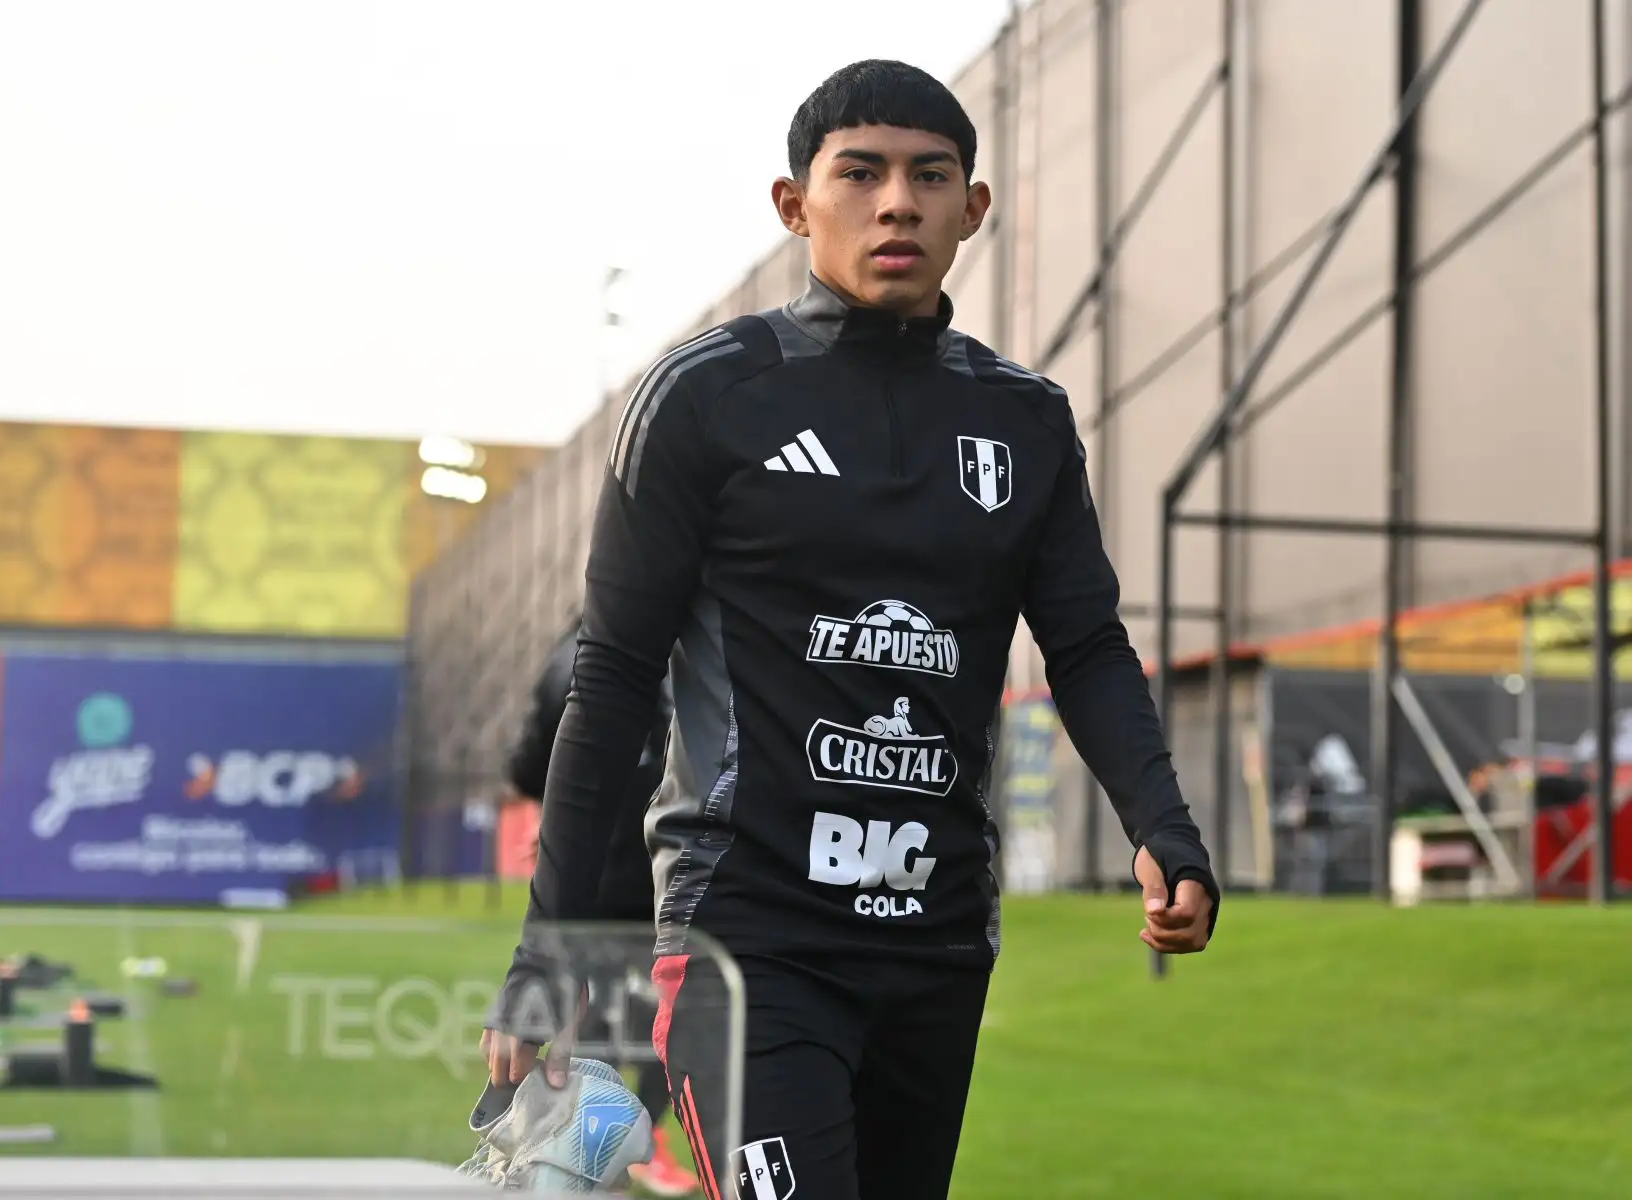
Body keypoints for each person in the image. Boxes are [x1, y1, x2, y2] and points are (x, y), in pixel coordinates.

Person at [483, 59, 1220, 1199]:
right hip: (744, 939)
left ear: (974, 208)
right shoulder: (705, 398)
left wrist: (1163, 827)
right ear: (795, 205)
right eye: (861, 175)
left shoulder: (1025, 420)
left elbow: (1085, 647)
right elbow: (614, 677)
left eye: (931, 177)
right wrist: (551, 954)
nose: (897, 205)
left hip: (938, 936)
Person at [496, 615, 698, 1197]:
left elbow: (528, 766)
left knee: (601, 1021)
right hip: (670, 875)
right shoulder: (694, 645)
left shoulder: (576, 651)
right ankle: (621, 1143)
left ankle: (599, 1150)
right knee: (673, 1018)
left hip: (595, 876)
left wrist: (559, 820)